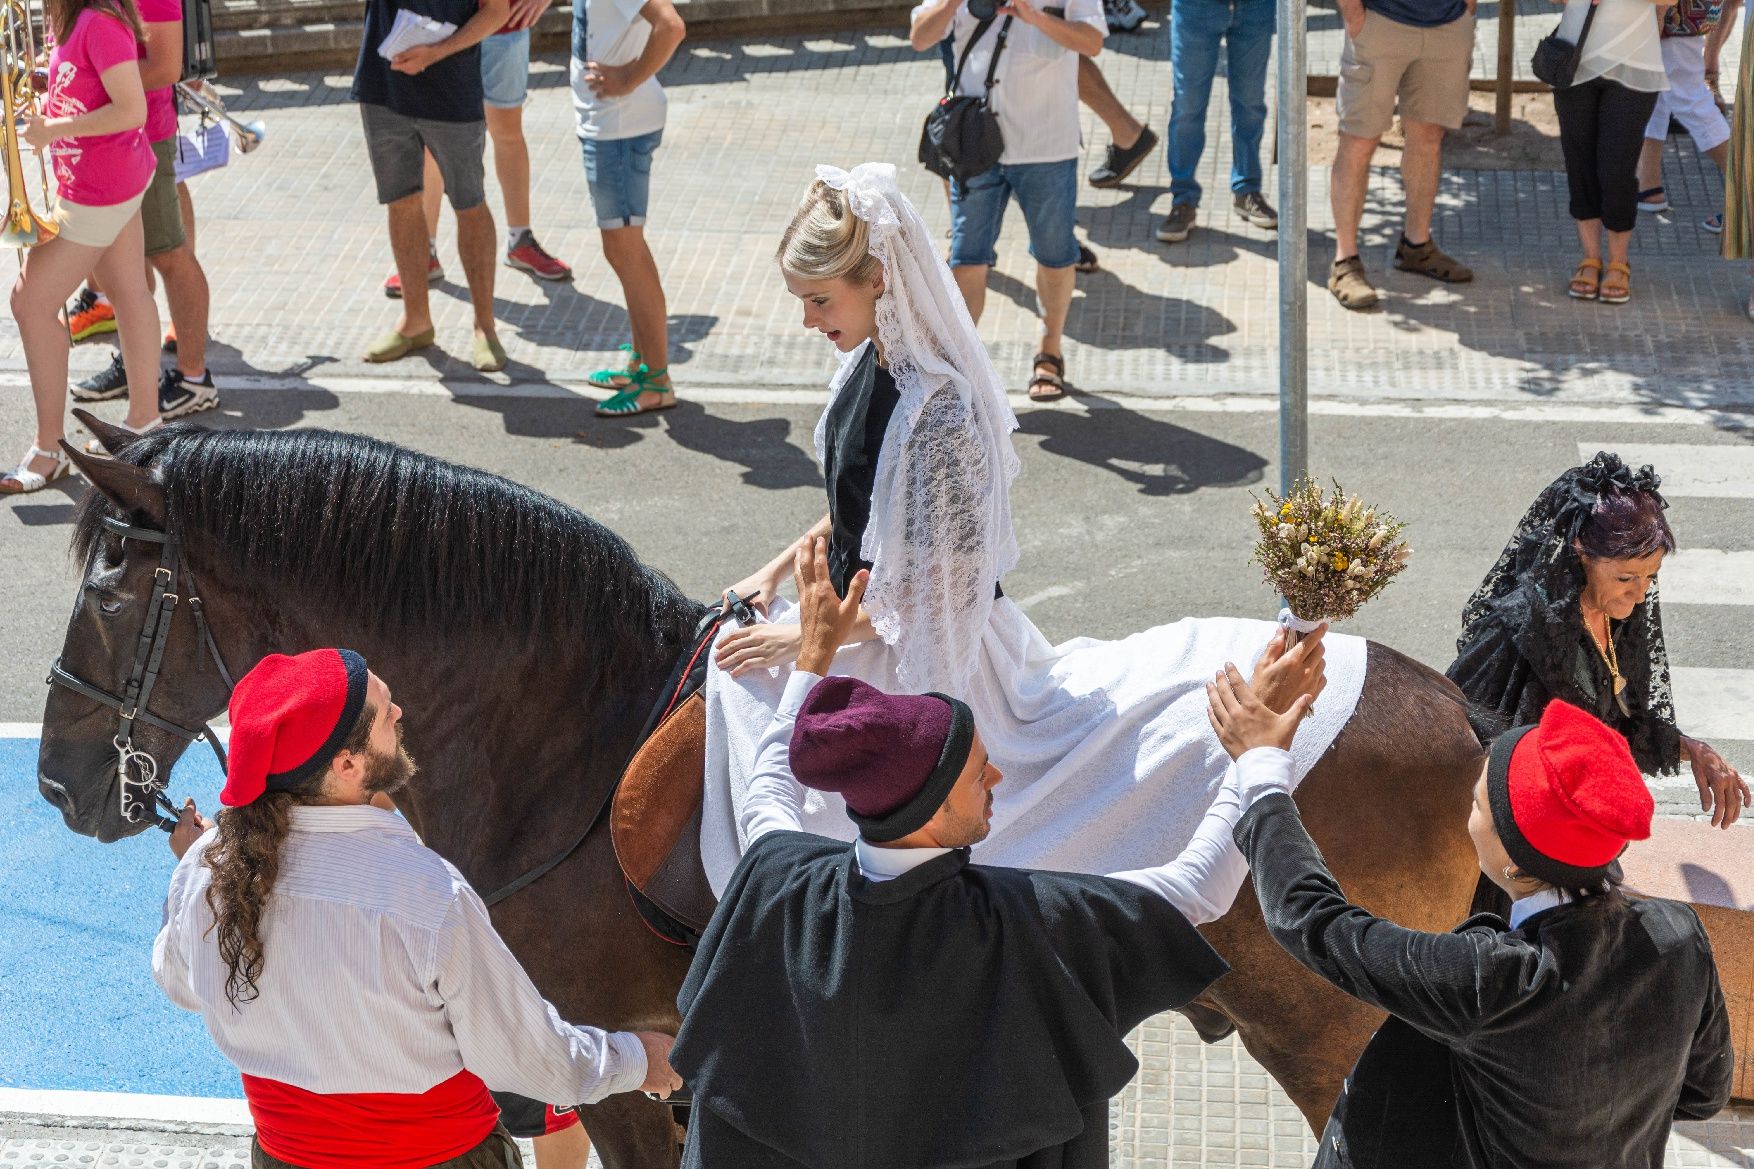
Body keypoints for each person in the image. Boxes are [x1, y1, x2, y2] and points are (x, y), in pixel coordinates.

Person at [704, 164, 1345, 896]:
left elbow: (923, 599)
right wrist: (777, 571)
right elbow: (867, 499)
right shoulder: (867, 360)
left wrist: (802, 642)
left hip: (918, 653)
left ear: (878, 278)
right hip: (845, 625)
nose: (809, 321)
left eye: (819, 300)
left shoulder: (939, 415)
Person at [673, 537, 1312, 1169]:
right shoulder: (1024, 923)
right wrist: (1258, 755)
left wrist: (814, 655)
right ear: (926, 810)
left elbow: (768, 788)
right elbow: (1196, 888)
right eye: (979, 774)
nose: (998, 781)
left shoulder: (779, 880)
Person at [155, 649, 679, 1169]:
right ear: (346, 764)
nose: (401, 714)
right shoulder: (425, 894)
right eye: (385, 713)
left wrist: (191, 873)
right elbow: (531, 1061)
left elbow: (180, 982)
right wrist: (637, 1060)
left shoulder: (209, 868)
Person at [1209, 671, 1734, 1168]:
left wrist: (1262, 773)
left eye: (1479, 802)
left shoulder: (1491, 979)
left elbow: (1312, 921)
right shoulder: (1679, 934)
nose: (1469, 808)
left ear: (1511, 856)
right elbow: (1703, 1093)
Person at [1447, 453, 1748, 828]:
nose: (1639, 596)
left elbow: (1625, 729)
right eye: (1625, 579)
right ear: (1580, 551)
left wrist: (1696, 751)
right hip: (1512, 840)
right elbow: (1463, 748)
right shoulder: (1516, 630)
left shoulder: (1615, 617)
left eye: (1650, 578)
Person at [908, 0, 1107, 400]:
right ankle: (957, 367)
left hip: (1048, 147)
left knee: (1055, 255)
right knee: (968, 258)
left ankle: (1049, 351)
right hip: (977, 146)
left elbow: (1092, 42)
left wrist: (1032, 14)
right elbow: (920, 37)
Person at [3, 0, 161, 496]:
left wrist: (54, 130)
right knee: (130, 292)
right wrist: (39, 91)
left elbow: (132, 108)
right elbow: (85, 89)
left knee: (29, 302)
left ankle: (50, 449)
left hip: (100, 188)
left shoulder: (98, 21)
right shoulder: (67, 20)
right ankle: (145, 426)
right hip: (103, 180)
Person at [72, 0, 218, 419]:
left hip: (145, 137)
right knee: (127, 264)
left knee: (168, 253)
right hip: (111, 136)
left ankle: (194, 380)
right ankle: (141, 368)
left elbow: (166, 67)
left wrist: (90, 83)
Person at [351, 0, 511, 372]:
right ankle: (415, 321)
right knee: (401, 201)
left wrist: (437, 52)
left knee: (469, 203)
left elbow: (496, 11)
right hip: (383, 82)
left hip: (452, 85)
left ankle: (484, 328)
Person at [381, 2, 575, 301]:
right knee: (434, 144)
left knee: (507, 132)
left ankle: (520, 240)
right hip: (440, 34)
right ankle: (424, 252)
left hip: (504, 28)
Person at [572, 0, 687, 416]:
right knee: (625, 249)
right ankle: (642, 363)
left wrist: (628, 79)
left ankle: (656, 382)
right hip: (611, 126)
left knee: (626, 250)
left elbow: (671, 26)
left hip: (619, 129)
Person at [1326, 0, 1476, 309]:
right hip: (1379, 22)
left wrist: (1467, 8)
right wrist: (1354, 15)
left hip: (1447, 26)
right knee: (1359, 139)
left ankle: (1416, 246)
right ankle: (1345, 262)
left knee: (1429, 136)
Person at [1549, 0, 1672, 304]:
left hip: (1635, 62)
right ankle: (1590, 258)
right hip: (1574, 58)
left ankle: (1619, 262)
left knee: (1616, 167)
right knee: (1580, 162)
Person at [1156, 0, 1277, 244]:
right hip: (1196, 8)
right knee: (1187, 106)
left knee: (1250, 102)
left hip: (1255, 7)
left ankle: (1247, 189)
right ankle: (1182, 199)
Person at [1633, 0, 1732, 230]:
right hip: (1677, 14)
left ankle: (1746, 200)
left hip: (1673, 14)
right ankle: (1648, 185)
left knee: (1688, 98)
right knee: (1655, 88)